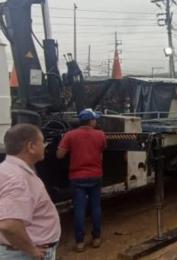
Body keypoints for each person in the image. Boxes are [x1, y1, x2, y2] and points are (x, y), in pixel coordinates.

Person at [0, 124, 60, 260]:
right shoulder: (17, 179)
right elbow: (9, 224)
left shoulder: (0, 171)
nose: (45, 146)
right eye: (43, 142)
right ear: (31, 146)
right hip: (22, 255)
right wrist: (32, 251)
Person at [57, 108, 107, 252]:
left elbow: (60, 155)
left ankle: (80, 242)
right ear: (91, 121)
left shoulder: (70, 135)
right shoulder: (100, 135)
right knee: (96, 207)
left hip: (77, 178)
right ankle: (96, 238)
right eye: (95, 119)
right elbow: (102, 150)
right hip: (96, 176)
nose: (96, 121)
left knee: (79, 209)